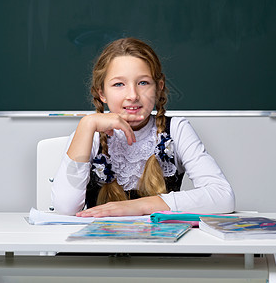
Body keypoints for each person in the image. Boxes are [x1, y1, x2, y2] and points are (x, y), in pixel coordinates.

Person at [52, 37, 235, 217]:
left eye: (143, 83)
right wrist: (87, 124)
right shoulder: (90, 133)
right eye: (119, 84)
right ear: (102, 93)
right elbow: (65, 208)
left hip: (159, 245)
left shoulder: (176, 129)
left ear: (158, 88)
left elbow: (223, 196)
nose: (132, 95)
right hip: (101, 245)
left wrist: (139, 206)